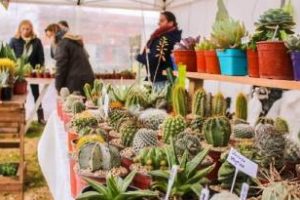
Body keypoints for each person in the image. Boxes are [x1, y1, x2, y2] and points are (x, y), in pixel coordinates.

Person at [10, 20, 46, 124]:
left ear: (31, 29)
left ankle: (41, 118)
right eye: (23, 28)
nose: (25, 31)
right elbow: (10, 56)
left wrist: (40, 68)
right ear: (20, 29)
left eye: (28, 28)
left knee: (36, 94)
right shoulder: (14, 40)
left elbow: (41, 57)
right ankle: (20, 116)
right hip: (18, 73)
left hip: (33, 72)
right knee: (19, 95)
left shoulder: (37, 41)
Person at [45, 24, 94, 94]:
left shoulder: (63, 44)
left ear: (54, 33)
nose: (50, 40)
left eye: (50, 36)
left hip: (76, 83)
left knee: (74, 104)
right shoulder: (73, 40)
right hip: (87, 79)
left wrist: (58, 87)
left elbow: (61, 67)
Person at [136, 11, 182, 86]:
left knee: (161, 97)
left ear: (171, 23)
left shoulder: (168, 38)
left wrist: (140, 57)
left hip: (162, 79)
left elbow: (156, 58)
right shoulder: (162, 36)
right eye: (159, 20)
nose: (159, 23)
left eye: (162, 20)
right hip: (158, 77)